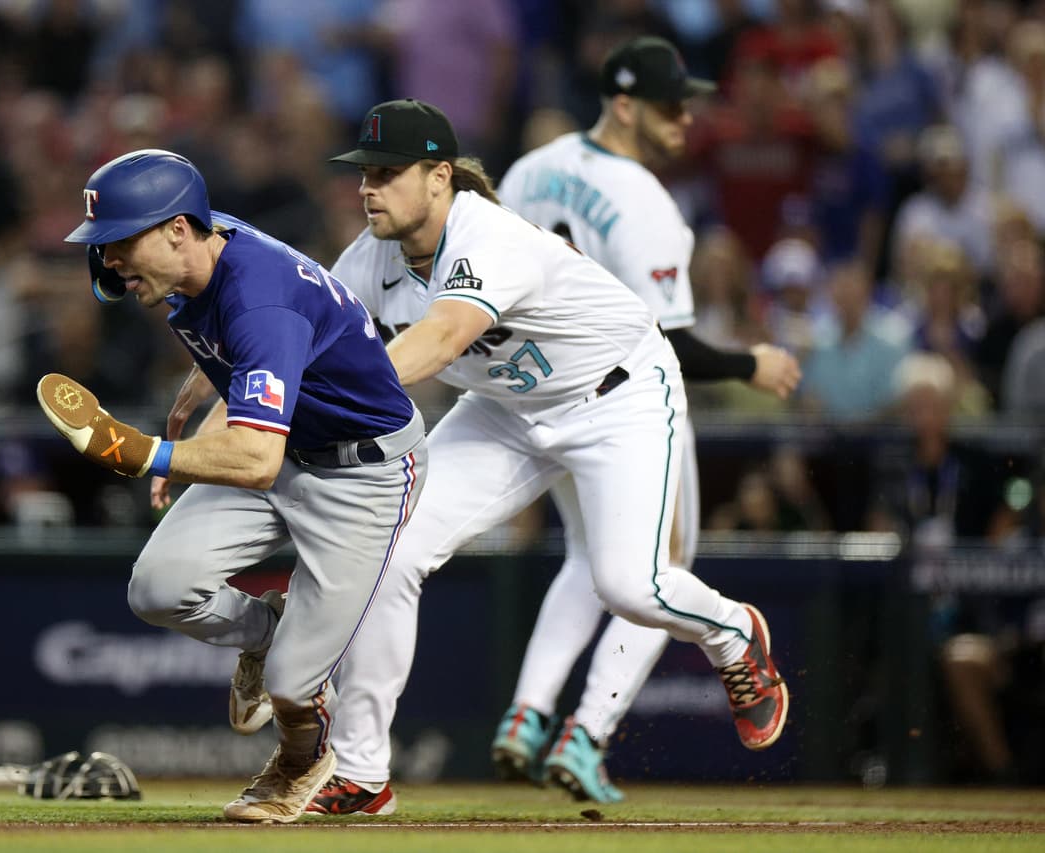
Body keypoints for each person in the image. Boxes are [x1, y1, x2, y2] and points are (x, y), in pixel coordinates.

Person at [303, 98, 788, 816]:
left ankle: (733, 632)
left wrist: (314, 393)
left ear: (439, 176)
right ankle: (362, 772)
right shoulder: (372, 256)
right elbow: (305, 329)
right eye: (365, 173)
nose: (368, 188)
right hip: (507, 408)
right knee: (391, 552)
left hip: (615, 394)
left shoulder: (484, 235)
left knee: (629, 585)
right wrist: (224, 384)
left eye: (387, 173)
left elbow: (439, 340)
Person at [41, 148, 428, 823]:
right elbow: (251, 346)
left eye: (120, 241)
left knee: (292, 686)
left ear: (177, 230)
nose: (109, 260)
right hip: (285, 446)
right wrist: (210, 386)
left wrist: (145, 454)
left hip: (361, 474)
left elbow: (253, 457)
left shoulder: (258, 297)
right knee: (158, 588)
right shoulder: (199, 247)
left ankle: (301, 761)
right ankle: (266, 629)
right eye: (104, 244)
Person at [489, 35, 803, 803]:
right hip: (627, 401)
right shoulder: (645, 201)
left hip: (539, 392)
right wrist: (750, 364)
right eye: (669, 105)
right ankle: (587, 733)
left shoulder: (530, 170)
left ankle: (528, 713)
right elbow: (672, 341)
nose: (685, 117)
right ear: (624, 105)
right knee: (660, 567)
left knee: (589, 559)